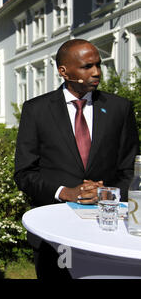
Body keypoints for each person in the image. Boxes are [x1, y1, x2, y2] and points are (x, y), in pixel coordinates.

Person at [14, 39, 140, 278]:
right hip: (54, 232)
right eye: (87, 66)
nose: (96, 72)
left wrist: (109, 193)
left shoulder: (119, 109)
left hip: (109, 232)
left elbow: (131, 170)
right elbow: (24, 173)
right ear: (64, 71)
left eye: (98, 65)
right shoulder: (36, 110)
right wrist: (65, 192)